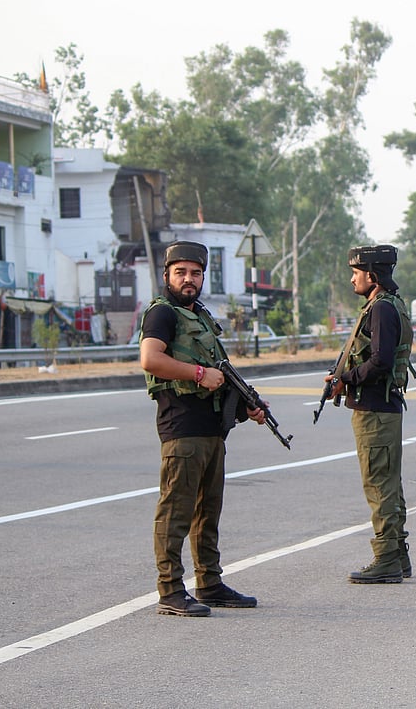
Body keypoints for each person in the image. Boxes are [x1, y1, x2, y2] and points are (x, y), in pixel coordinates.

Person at [139, 240, 265, 617]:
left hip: (211, 428)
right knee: (176, 511)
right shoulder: (162, 313)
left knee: (207, 512)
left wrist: (247, 405)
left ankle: (209, 582)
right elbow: (150, 359)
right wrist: (197, 373)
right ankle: (170, 590)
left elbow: (221, 374)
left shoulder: (202, 317)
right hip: (182, 425)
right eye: (180, 272)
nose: (188, 279)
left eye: (195, 273)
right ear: (167, 275)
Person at [326, 245, 415, 584]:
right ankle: (398, 555)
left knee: (379, 486)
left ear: (373, 276)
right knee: (389, 483)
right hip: (382, 408)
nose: (352, 279)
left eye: (356, 273)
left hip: (375, 412)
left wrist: (346, 379)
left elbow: (380, 361)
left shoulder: (381, 309)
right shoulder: (390, 305)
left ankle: (386, 559)